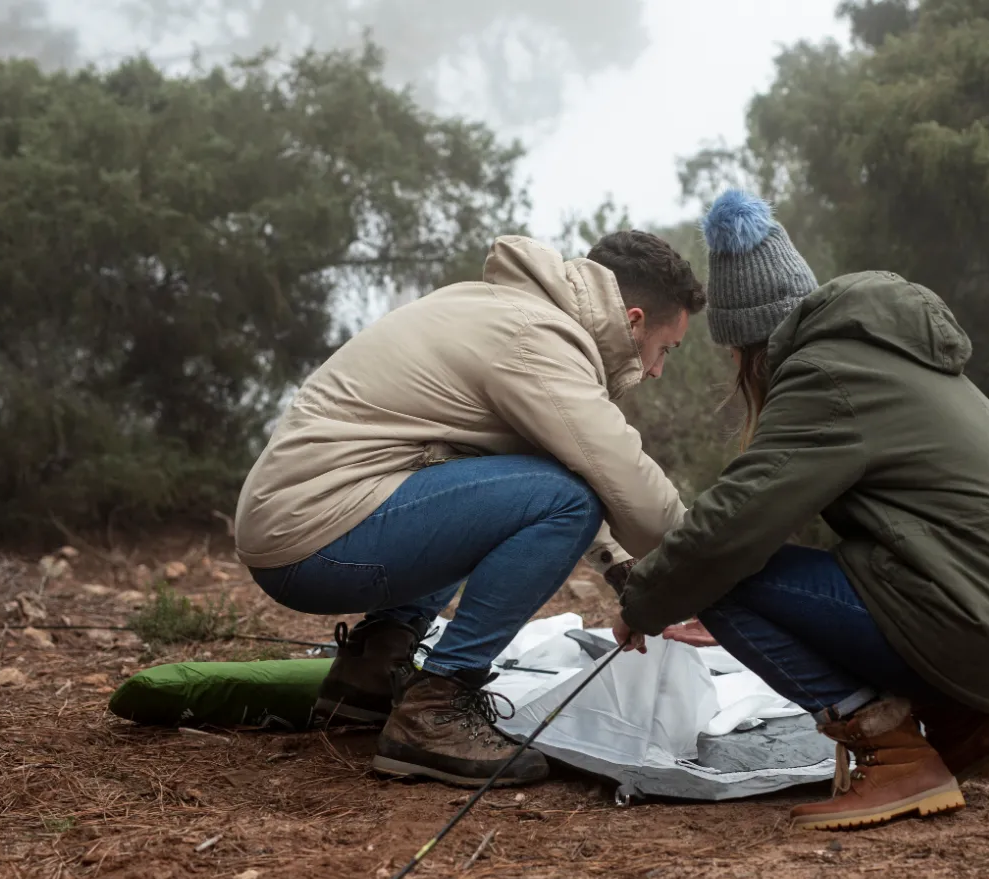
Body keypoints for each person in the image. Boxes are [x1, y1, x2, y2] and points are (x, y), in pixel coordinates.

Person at [615, 191, 989, 831]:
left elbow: (733, 525)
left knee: (719, 574)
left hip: (985, 626)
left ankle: (894, 754)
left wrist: (647, 596)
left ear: (745, 347)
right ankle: (967, 725)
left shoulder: (823, 375)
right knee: (836, 562)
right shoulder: (888, 351)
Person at [236, 232, 703, 788]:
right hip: (318, 541)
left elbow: (541, 473)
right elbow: (619, 476)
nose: (656, 370)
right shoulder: (536, 338)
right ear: (633, 321)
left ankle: (369, 670)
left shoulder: (501, 310)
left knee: (519, 488)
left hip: (301, 526)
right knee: (568, 502)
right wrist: (707, 572)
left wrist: (626, 569)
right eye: (665, 350)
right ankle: (436, 709)